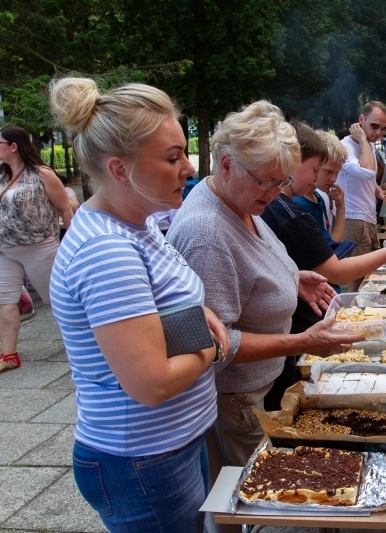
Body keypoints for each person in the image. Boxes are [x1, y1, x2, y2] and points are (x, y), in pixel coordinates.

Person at [48, 77, 229, 532]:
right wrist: (214, 347)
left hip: (168, 447)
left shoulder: (139, 224)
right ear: (119, 169)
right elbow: (151, 384)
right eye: (172, 157)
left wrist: (196, 311)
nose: (188, 167)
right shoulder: (106, 250)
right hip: (144, 462)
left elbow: (158, 299)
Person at [166, 101, 363, 494]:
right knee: (241, 495)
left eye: (282, 182)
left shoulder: (238, 199)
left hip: (259, 388)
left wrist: (293, 279)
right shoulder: (207, 232)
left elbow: (253, 265)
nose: (275, 194)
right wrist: (302, 343)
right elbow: (215, 342)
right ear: (226, 164)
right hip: (236, 398)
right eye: (266, 182)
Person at [262, 120, 386, 333]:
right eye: (317, 170)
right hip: (304, 323)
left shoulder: (285, 206)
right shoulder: (291, 213)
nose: (317, 178)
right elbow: (335, 271)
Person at [1, 125, 74, 373]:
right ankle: (9, 353)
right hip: (6, 249)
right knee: (5, 302)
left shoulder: (41, 174)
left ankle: (81, 345)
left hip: (39, 247)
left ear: (13, 146)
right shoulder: (1, 175)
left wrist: (70, 241)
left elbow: (65, 208)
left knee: (57, 300)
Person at [338, 101, 386, 291]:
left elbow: (369, 180)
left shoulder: (368, 145)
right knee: (355, 277)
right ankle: (350, 314)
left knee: (368, 273)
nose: (378, 132)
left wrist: (379, 191)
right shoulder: (346, 146)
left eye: (383, 128)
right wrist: (362, 139)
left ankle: (358, 313)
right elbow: (368, 172)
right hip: (353, 218)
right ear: (361, 120)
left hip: (367, 218)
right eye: (374, 126)